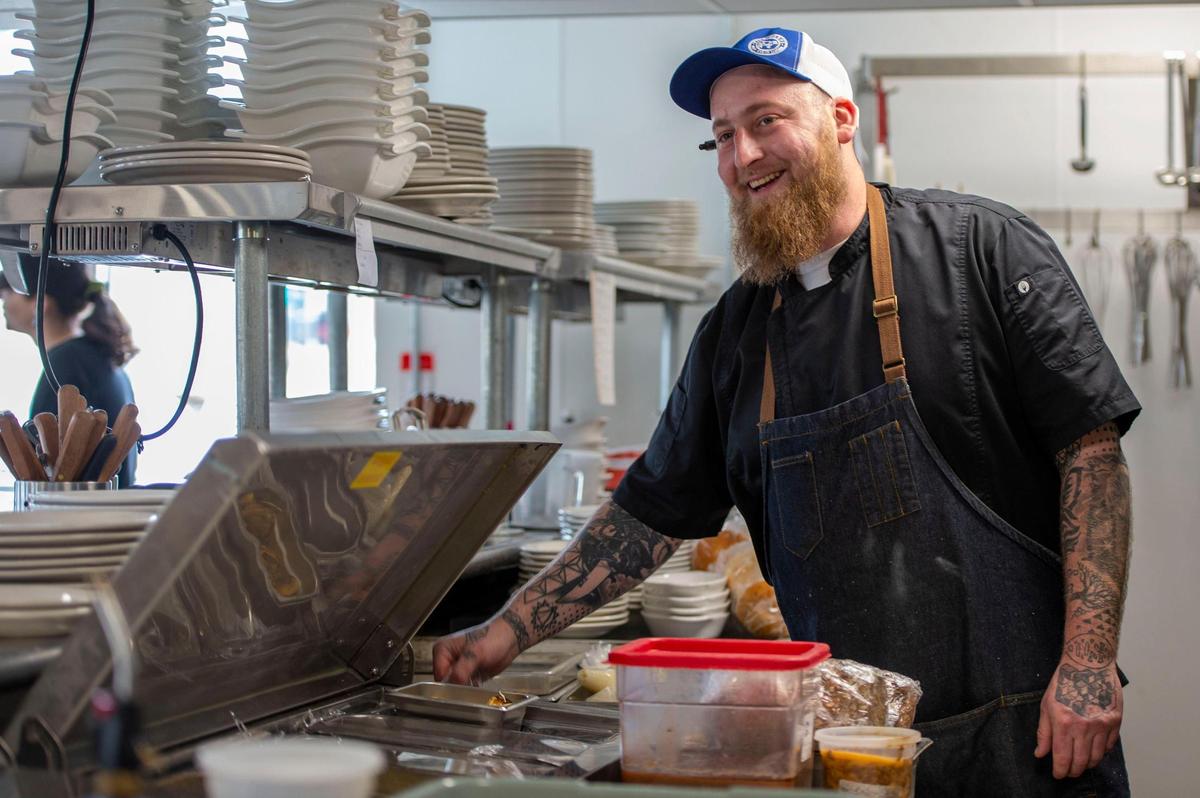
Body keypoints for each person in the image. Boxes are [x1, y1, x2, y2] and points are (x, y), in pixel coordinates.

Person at [435, 27, 1137, 797]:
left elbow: (1091, 453)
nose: (743, 156)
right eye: (723, 137)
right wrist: (505, 631)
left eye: (767, 120)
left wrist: (1088, 663)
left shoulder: (978, 250)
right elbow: (647, 518)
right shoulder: (735, 334)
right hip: (846, 754)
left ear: (841, 120)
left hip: (1027, 737)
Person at [1, 253, 137, 485]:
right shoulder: (90, 356)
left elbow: (46, 468)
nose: (3, 299)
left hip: (83, 515)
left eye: (11, 291)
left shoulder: (66, 365)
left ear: (40, 305)